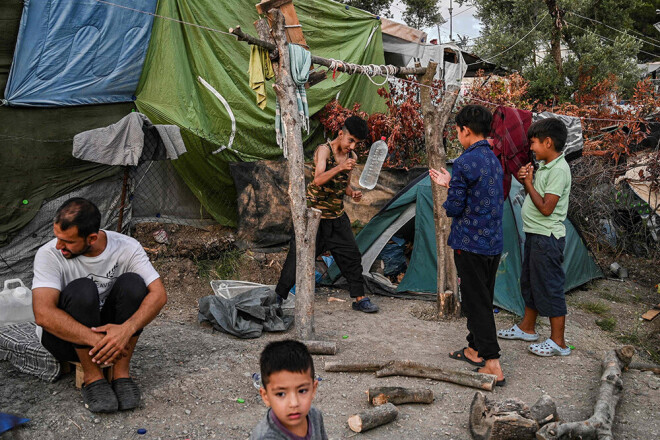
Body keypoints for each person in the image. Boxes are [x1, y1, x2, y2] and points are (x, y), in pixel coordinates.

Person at [32, 198, 167, 413]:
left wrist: (125, 331)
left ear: (92, 238)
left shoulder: (126, 247)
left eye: (67, 241)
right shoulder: (49, 255)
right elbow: (43, 314)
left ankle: (120, 373)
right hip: (62, 339)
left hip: (109, 334)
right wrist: (101, 341)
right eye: (57, 237)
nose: (59, 246)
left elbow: (159, 294)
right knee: (82, 290)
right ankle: (92, 376)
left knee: (134, 284)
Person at [429, 104, 505, 385]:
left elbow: (454, 208)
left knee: (476, 303)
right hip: (493, 243)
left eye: (458, 130)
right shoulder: (493, 159)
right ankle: (474, 349)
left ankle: (493, 362)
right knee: (481, 296)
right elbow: (480, 195)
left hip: (470, 244)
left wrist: (450, 190)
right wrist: (454, 184)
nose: (458, 135)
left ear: (465, 130)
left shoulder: (463, 162)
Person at [275, 115, 378, 313]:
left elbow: (344, 186)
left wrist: (353, 193)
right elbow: (318, 179)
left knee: (352, 257)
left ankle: (360, 298)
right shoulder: (324, 150)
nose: (353, 146)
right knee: (297, 258)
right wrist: (340, 166)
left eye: (357, 143)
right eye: (351, 140)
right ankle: (279, 297)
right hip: (314, 217)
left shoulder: (352, 158)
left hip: (336, 218)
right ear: (341, 134)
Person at [497, 118, 572, 357]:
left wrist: (528, 183)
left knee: (550, 286)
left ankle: (558, 342)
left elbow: (547, 208)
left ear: (548, 142)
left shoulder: (559, 170)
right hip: (535, 235)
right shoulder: (546, 166)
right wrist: (525, 180)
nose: (531, 148)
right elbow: (538, 195)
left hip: (547, 238)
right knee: (530, 282)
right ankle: (527, 328)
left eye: (534, 143)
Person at [251, 340, 327, 440]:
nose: (294, 403)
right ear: (266, 397)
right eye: (281, 394)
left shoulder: (314, 416)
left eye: (302, 391)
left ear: (313, 389)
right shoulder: (266, 437)